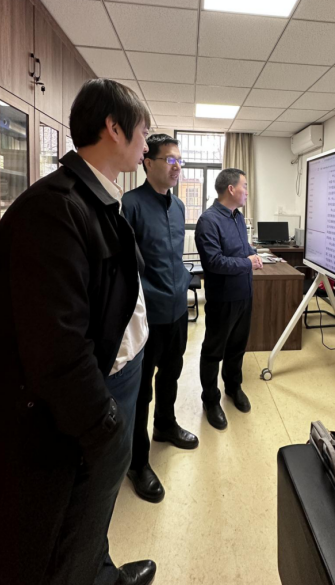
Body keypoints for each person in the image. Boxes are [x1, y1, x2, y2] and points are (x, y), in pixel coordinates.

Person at [0, 79, 157, 585]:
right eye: (144, 133)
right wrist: (106, 427)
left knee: (94, 515)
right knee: (65, 529)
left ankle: (102, 573)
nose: (148, 145)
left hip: (117, 380)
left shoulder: (97, 197)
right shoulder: (54, 208)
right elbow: (56, 348)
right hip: (87, 403)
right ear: (114, 128)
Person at [122, 134, 198, 504]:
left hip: (177, 310)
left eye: (179, 160)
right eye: (169, 159)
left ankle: (165, 426)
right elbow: (126, 267)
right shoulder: (130, 205)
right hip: (146, 316)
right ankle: (137, 462)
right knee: (141, 390)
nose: (176, 166)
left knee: (171, 373)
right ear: (147, 162)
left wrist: (181, 283)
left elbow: (173, 257)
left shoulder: (179, 206)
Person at [195, 168, 263, 430]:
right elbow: (213, 262)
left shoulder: (238, 216)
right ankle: (210, 400)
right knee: (214, 350)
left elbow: (241, 249)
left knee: (237, 346)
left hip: (244, 294)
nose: (247, 191)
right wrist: (248, 263)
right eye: (244, 186)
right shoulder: (208, 221)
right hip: (223, 298)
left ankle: (233, 387)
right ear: (231, 189)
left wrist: (254, 253)